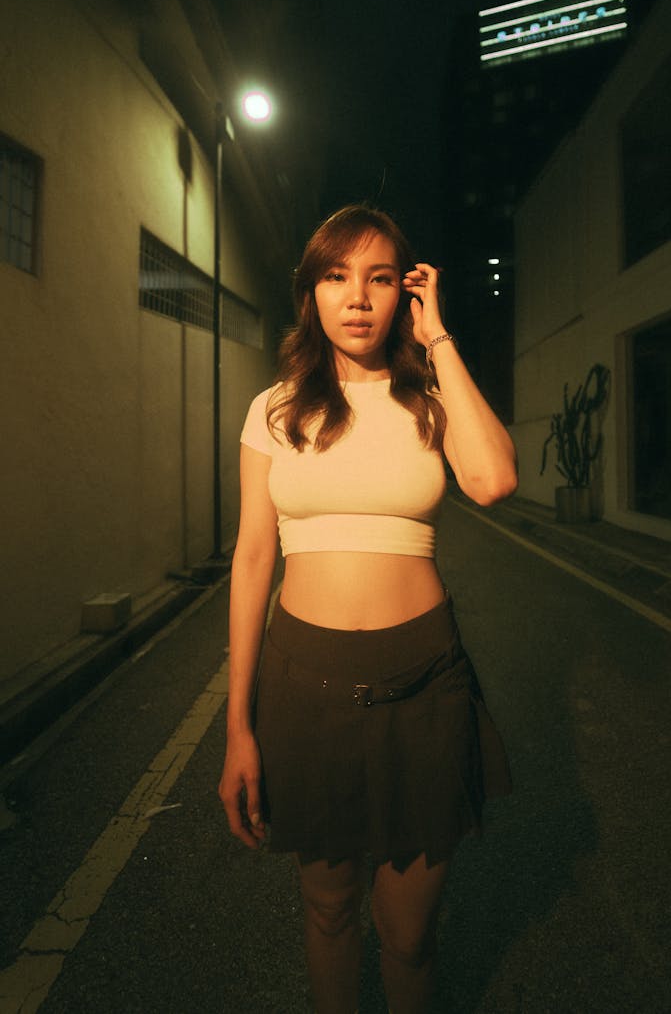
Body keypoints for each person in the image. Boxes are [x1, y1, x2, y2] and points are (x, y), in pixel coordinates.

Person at [219, 204, 518, 1014]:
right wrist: (238, 725)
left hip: (425, 685)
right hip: (302, 689)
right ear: (310, 292)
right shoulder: (275, 409)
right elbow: (253, 560)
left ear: (405, 293)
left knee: (410, 935)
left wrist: (441, 341)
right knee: (326, 910)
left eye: (380, 278)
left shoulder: (429, 399)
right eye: (336, 276)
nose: (357, 297)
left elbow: (492, 479)